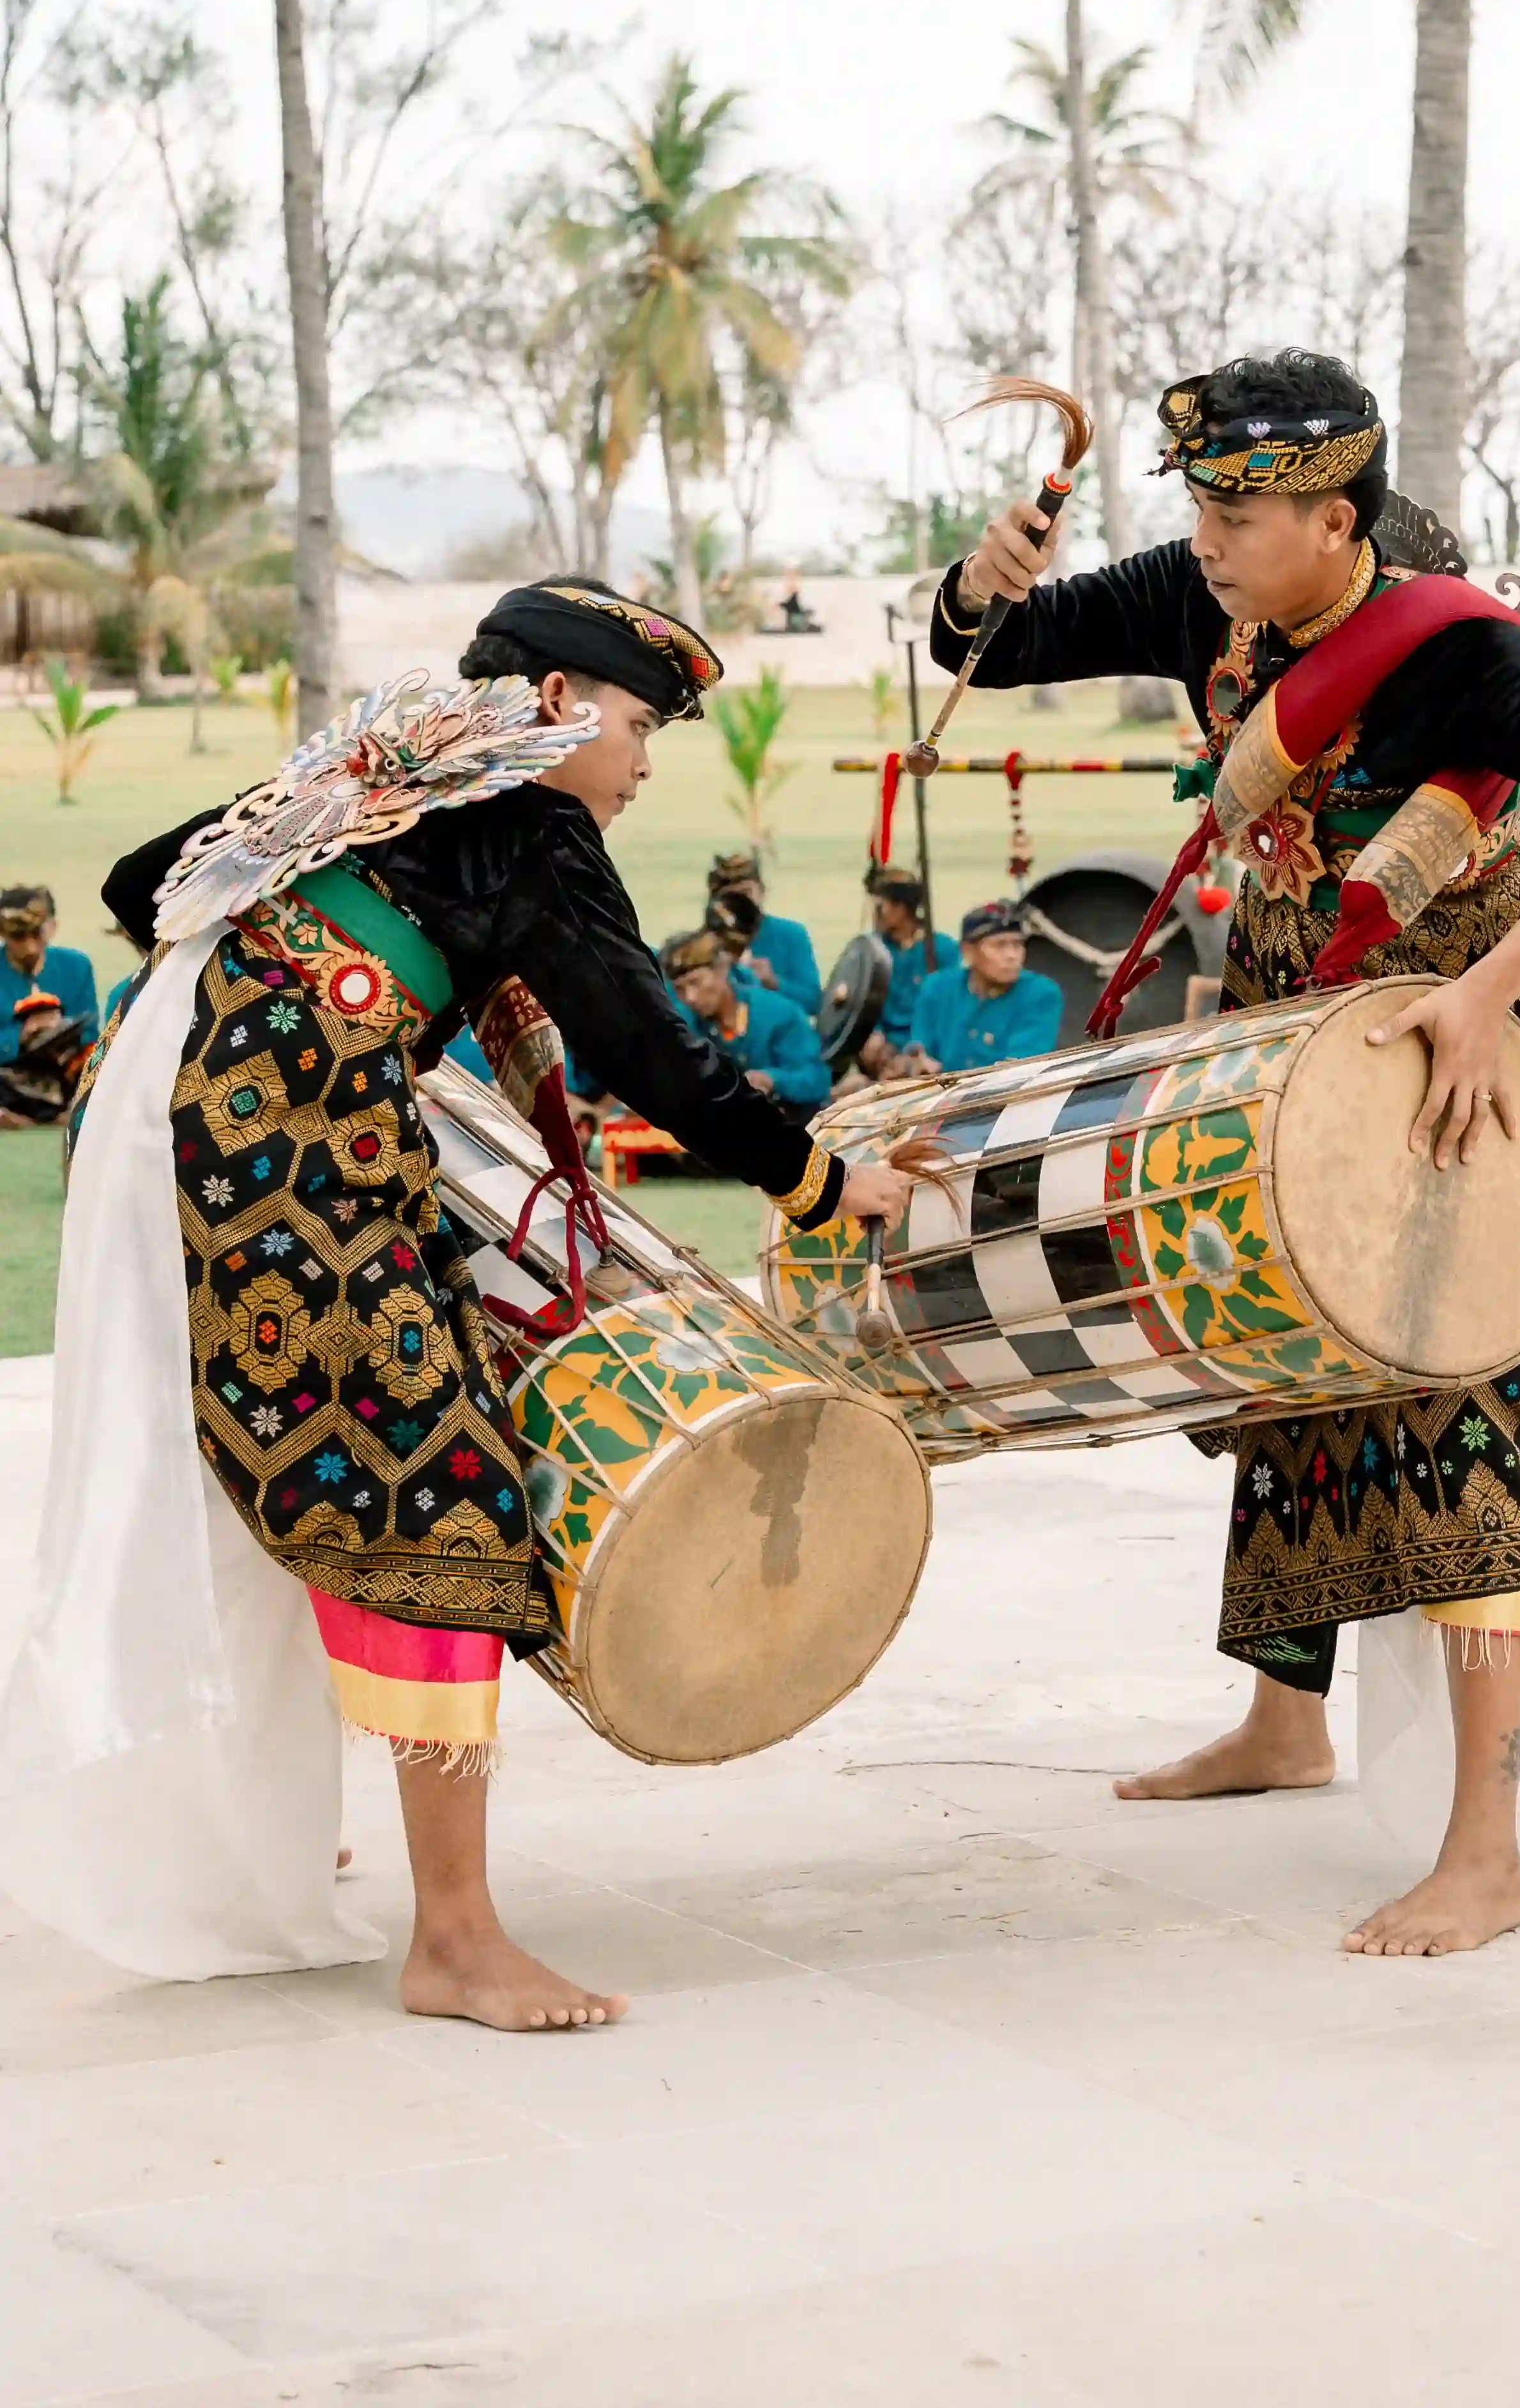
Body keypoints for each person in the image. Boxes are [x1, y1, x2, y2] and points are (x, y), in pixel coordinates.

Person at [0, 577, 910, 2031]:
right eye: (633, 727)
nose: (636, 766)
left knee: (292, 1476)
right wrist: (818, 1179)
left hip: (183, 1110)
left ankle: (290, 1834)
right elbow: (655, 1055)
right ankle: (456, 1939)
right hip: (277, 1140)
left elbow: (140, 887)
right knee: (447, 1499)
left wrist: (349, 979)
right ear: (555, 708)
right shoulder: (531, 816)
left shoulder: (391, 764)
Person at [931, 347, 1520, 1959]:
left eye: (1242, 508)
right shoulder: (1210, 598)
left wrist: (1492, 992)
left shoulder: (1454, 652)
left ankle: (1483, 1848)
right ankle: (1284, 1723)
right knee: (1292, 1375)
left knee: (1457, 1394)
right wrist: (977, 580)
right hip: (1292, 1040)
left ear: (1336, 520)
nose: (1206, 535)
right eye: (1200, 504)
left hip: (1454, 1051)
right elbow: (998, 652)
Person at [662, 924, 833, 1110]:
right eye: (679, 989)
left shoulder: (777, 1013)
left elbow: (817, 1080)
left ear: (722, 970)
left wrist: (772, 1080)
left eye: (696, 982)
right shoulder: (685, 1025)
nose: (690, 997)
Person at [904, 902, 1063, 1073]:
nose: (1012, 956)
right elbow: (920, 1046)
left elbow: (1019, 1068)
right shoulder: (937, 987)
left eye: (1017, 945)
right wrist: (918, 1062)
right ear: (968, 952)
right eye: (999, 945)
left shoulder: (1042, 994)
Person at [0, 885, 98, 1128]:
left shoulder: (77, 965)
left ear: (51, 927)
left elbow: (91, 1032)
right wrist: (21, 1036)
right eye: (19, 938)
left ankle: (37, 1116)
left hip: (64, 1073)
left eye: (37, 935)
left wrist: (59, 1030)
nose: (30, 947)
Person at [858, 867, 955, 1075]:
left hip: (926, 1045)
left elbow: (949, 1008)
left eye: (879, 907)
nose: (875, 915)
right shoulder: (872, 950)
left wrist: (910, 1049)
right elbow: (861, 1002)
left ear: (899, 909)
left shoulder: (942, 949)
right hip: (883, 1044)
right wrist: (872, 1033)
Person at [705, 848, 821, 1018]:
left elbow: (814, 1003)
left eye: (746, 893)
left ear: (762, 891)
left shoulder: (791, 935)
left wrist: (773, 982)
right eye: (732, 897)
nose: (741, 905)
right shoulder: (705, 943)